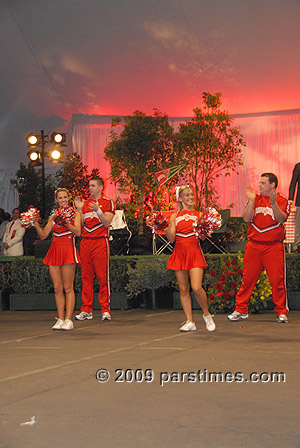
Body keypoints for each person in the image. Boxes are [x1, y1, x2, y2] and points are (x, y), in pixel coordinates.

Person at [228, 173, 290, 323]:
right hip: (254, 245)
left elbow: (282, 219)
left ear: (273, 185)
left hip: (273, 246)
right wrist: (250, 201)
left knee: (277, 281)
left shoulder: (282, 200)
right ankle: (241, 309)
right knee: (247, 279)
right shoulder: (256, 199)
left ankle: (281, 312)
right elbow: (247, 218)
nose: (259, 185)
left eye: (263, 183)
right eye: (260, 182)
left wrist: (273, 203)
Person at [165, 185, 216, 332]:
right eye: (186, 195)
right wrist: (165, 227)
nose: (190, 197)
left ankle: (206, 315)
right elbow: (172, 238)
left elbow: (204, 237)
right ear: (180, 199)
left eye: (191, 195)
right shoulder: (174, 216)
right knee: (183, 289)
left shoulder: (199, 214)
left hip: (194, 252)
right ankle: (190, 321)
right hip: (179, 252)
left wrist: (206, 228)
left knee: (196, 287)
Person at [33, 188, 81, 331]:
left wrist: (65, 222)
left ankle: (68, 319)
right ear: (56, 200)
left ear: (69, 198)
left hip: (67, 249)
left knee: (68, 287)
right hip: (54, 250)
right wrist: (35, 223)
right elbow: (43, 235)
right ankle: (60, 319)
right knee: (57, 288)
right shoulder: (53, 216)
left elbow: (78, 232)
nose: (63, 200)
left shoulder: (75, 214)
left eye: (65, 197)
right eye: (60, 198)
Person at [74, 177, 115, 321]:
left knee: (102, 276)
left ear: (100, 188)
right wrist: (79, 209)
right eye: (89, 185)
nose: (90, 188)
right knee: (86, 277)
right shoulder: (84, 204)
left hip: (100, 242)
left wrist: (98, 210)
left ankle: (105, 309)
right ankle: (86, 309)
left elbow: (107, 222)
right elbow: (79, 226)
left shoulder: (107, 202)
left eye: (93, 185)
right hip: (85, 242)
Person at [288, 162, 300, 251]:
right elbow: (293, 183)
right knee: (298, 225)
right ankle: (296, 246)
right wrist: (290, 198)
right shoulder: (298, 166)